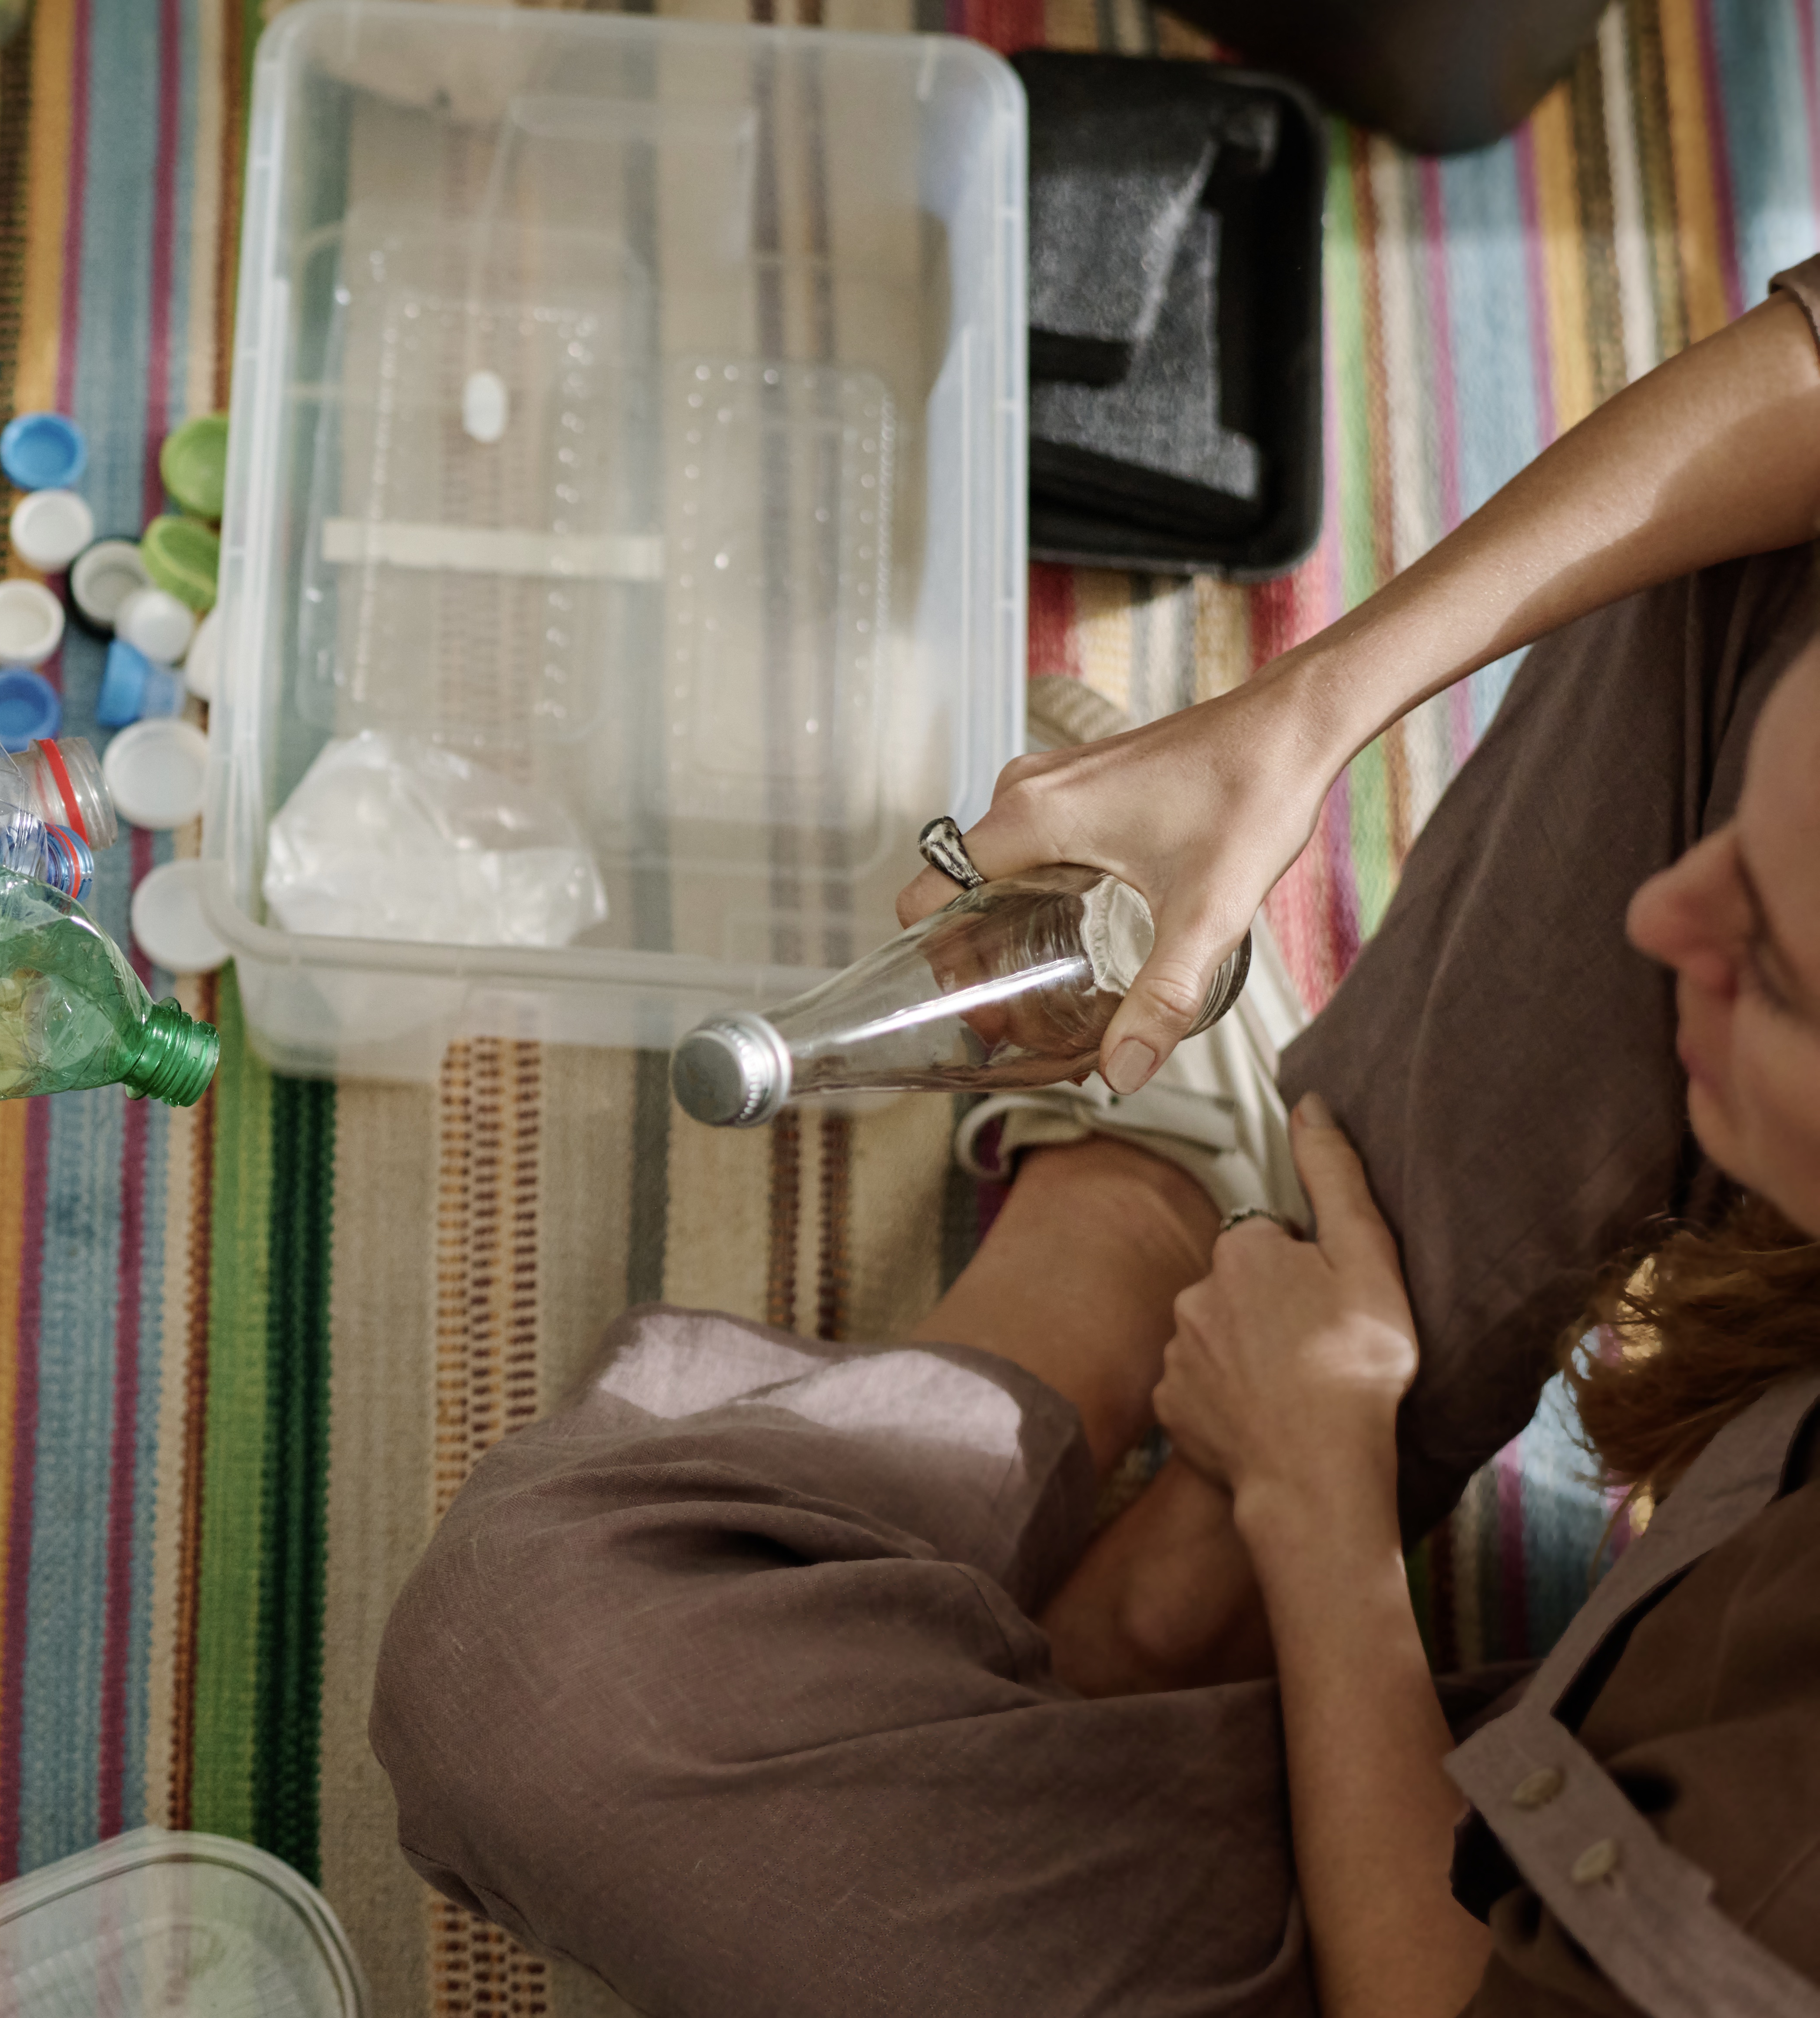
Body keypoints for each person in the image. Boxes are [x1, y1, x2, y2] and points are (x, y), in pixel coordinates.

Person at [373, 260, 1820, 2016]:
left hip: (1505, 1939)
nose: (1656, 909)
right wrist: (1293, 718)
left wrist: (1324, 1519)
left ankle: (1179, 1459)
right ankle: (1150, 1272)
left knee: (536, 1689)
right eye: (1736, 835)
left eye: (1784, 971)